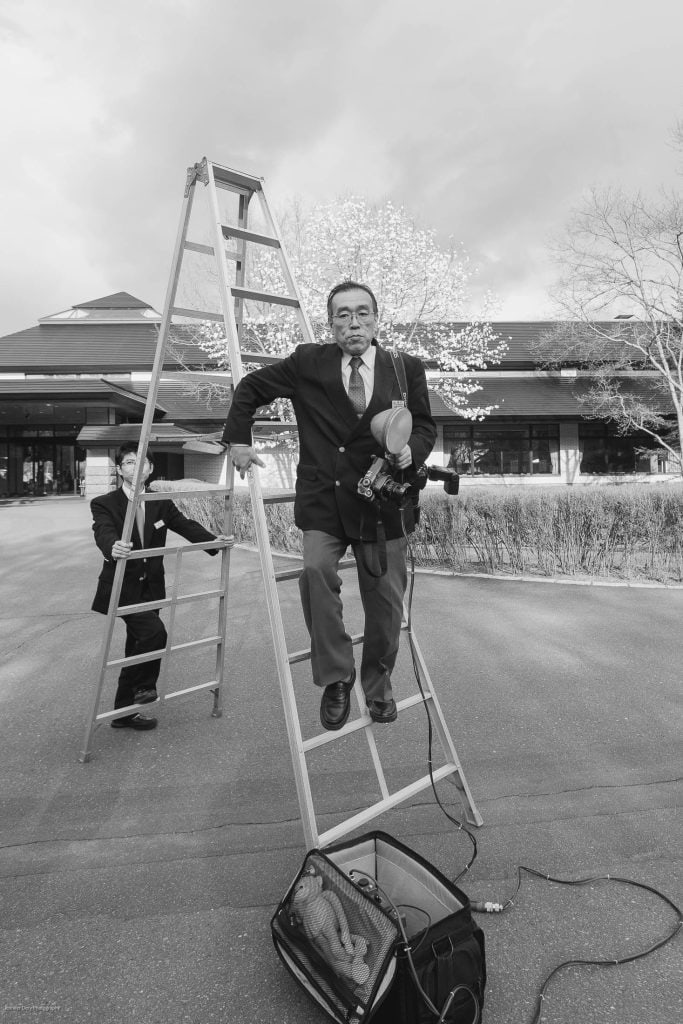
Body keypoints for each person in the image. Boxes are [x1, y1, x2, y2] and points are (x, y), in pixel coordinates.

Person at [223, 280, 436, 731]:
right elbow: (249, 389)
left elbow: (426, 428)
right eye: (342, 314)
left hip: (382, 505)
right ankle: (336, 677)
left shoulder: (405, 369)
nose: (353, 322)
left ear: (377, 319)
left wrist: (411, 450)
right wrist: (239, 440)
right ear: (331, 322)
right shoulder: (308, 362)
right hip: (325, 501)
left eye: (362, 312)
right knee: (316, 573)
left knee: (385, 604)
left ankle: (378, 686)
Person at [90, 442, 226, 731]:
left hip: (151, 588)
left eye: (142, 462)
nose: (135, 466)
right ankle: (143, 687)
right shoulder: (105, 503)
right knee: (154, 634)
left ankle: (123, 714)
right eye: (128, 462)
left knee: (136, 645)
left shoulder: (159, 502)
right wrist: (112, 546)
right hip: (122, 588)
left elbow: (184, 525)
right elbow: (103, 530)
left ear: (151, 469)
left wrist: (215, 543)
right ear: (120, 469)